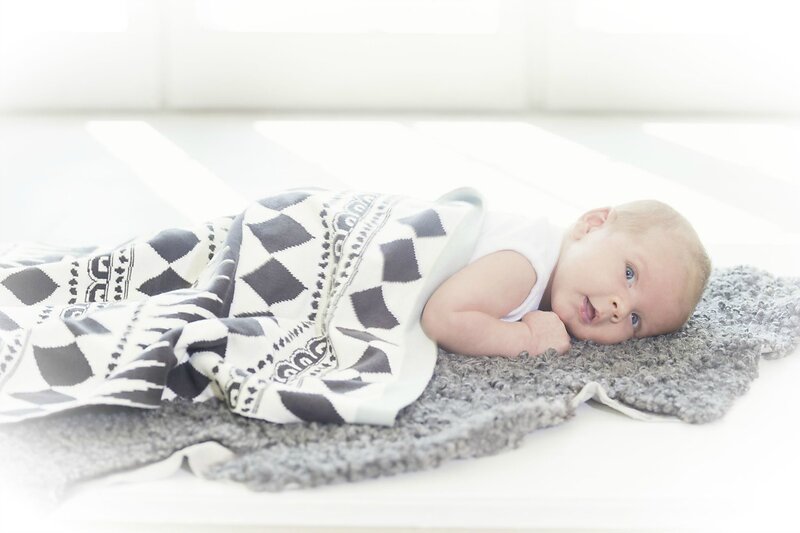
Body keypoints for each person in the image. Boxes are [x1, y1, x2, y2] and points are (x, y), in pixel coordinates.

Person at [420, 200, 711, 357]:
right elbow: (443, 319)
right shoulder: (525, 263)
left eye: (635, 320)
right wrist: (528, 339)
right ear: (593, 225)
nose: (620, 309)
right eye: (629, 273)